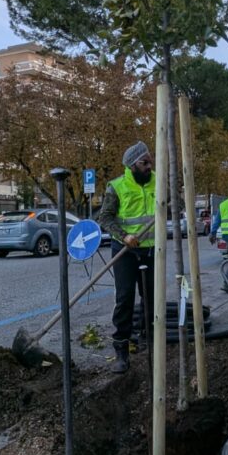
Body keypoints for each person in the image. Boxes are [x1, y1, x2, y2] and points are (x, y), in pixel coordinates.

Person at [97, 141, 156, 374]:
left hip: (151, 249)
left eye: (150, 161)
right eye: (144, 162)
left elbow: (175, 204)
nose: (149, 166)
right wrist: (124, 236)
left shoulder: (158, 180)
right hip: (124, 250)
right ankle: (121, 349)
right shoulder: (117, 187)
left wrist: (173, 200)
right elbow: (106, 219)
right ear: (132, 165)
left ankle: (147, 339)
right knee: (125, 298)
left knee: (151, 297)